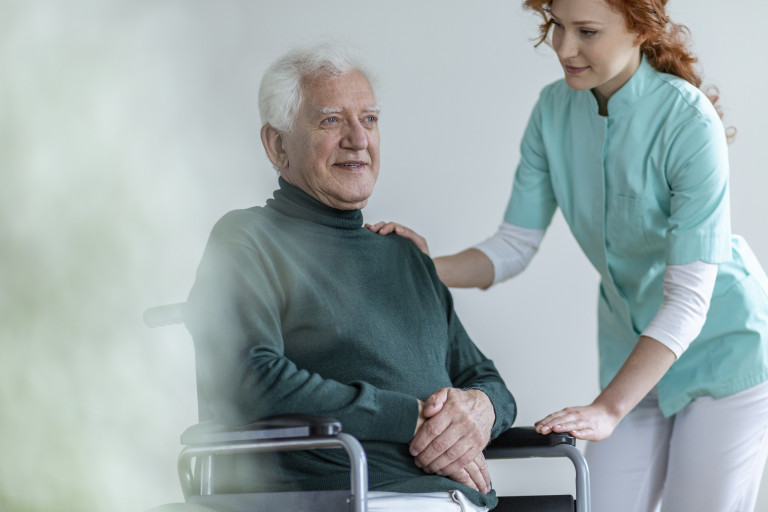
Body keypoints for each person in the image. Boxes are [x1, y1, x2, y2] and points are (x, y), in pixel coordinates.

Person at [368, 0, 768, 510]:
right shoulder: (552, 111)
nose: (563, 47)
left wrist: (606, 409)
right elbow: (513, 246)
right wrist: (422, 267)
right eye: (557, 25)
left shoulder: (689, 121)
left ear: (641, 30)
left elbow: (690, 299)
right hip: (631, 357)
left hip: (725, 351)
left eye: (587, 31)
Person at [183, 41, 517, 512]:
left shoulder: (405, 255)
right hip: (348, 495)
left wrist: (482, 410)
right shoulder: (247, 240)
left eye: (370, 119)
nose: (358, 139)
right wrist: (409, 418)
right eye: (331, 120)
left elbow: (483, 376)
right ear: (278, 145)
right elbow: (249, 377)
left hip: (461, 501)